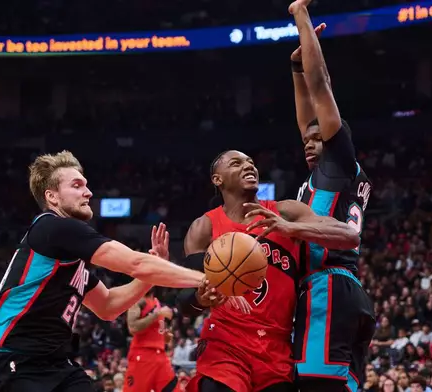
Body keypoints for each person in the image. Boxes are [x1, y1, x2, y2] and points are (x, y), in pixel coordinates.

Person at [0, 150, 206, 392]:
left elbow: (107, 305)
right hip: (13, 359)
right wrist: (206, 279)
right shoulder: (54, 227)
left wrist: (149, 277)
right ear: (52, 197)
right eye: (77, 186)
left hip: (54, 363)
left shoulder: (68, 256)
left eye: (86, 186)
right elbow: (135, 263)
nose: (88, 192)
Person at [180, 150, 359, 392]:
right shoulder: (205, 226)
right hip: (225, 342)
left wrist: (291, 228)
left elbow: (349, 237)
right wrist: (201, 298)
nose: (248, 166)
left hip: (276, 345)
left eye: (251, 163)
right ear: (217, 179)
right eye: (236, 163)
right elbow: (185, 304)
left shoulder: (285, 211)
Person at [289, 0, 375, 391]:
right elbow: (307, 115)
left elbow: (320, 84)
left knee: (316, 384)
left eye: (317, 137)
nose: (308, 142)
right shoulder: (327, 172)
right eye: (306, 139)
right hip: (347, 290)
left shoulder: (338, 161)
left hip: (328, 288)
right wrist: (295, 71)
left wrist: (300, 18)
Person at [123, 288, 177, 392]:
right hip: (142, 355)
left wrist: (165, 335)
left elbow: (156, 331)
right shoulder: (138, 300)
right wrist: (156, 314)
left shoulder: (156, 302)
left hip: (160, 355)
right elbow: (133, 327)